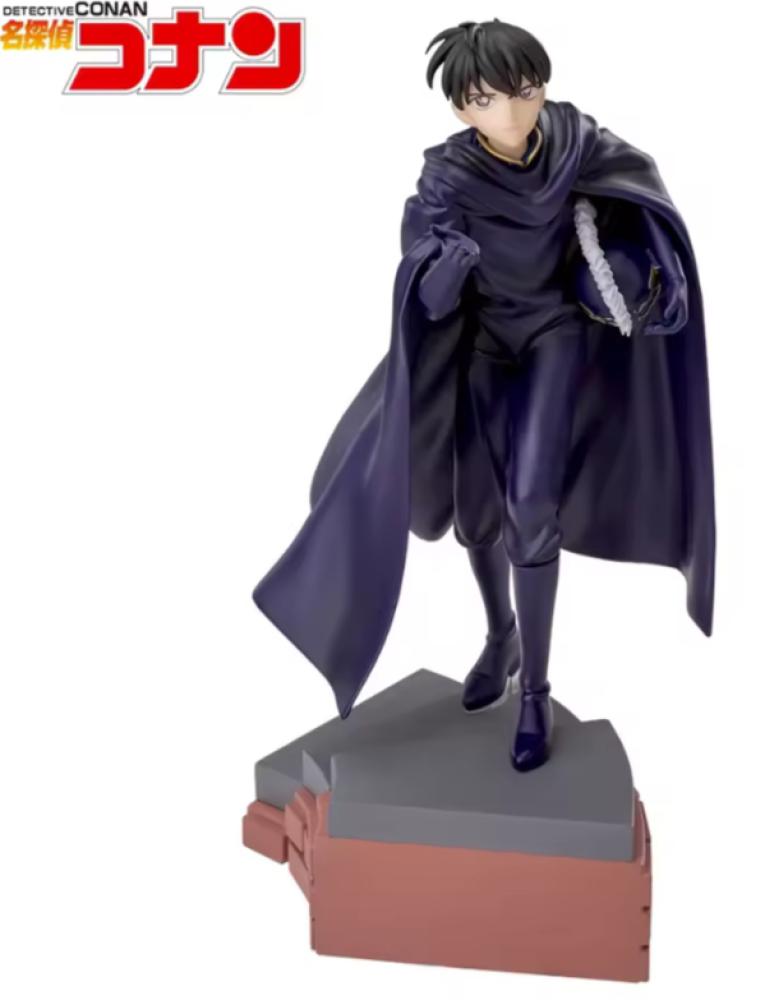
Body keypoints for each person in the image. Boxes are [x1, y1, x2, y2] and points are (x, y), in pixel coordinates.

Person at [253, 19, 716, 772]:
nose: (510, 111)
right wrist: (446, 263)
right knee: (477, 516)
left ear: (543, 87)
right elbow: (428, 296)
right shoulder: (447, 179)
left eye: (524, 91)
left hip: (554, 338)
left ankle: (535, 691)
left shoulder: (572, 140)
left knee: (532, 507)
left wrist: (636, 271)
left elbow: (640, 188)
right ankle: (501, 635)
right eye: (487, 99)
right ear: (462, 107)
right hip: (481, 346)